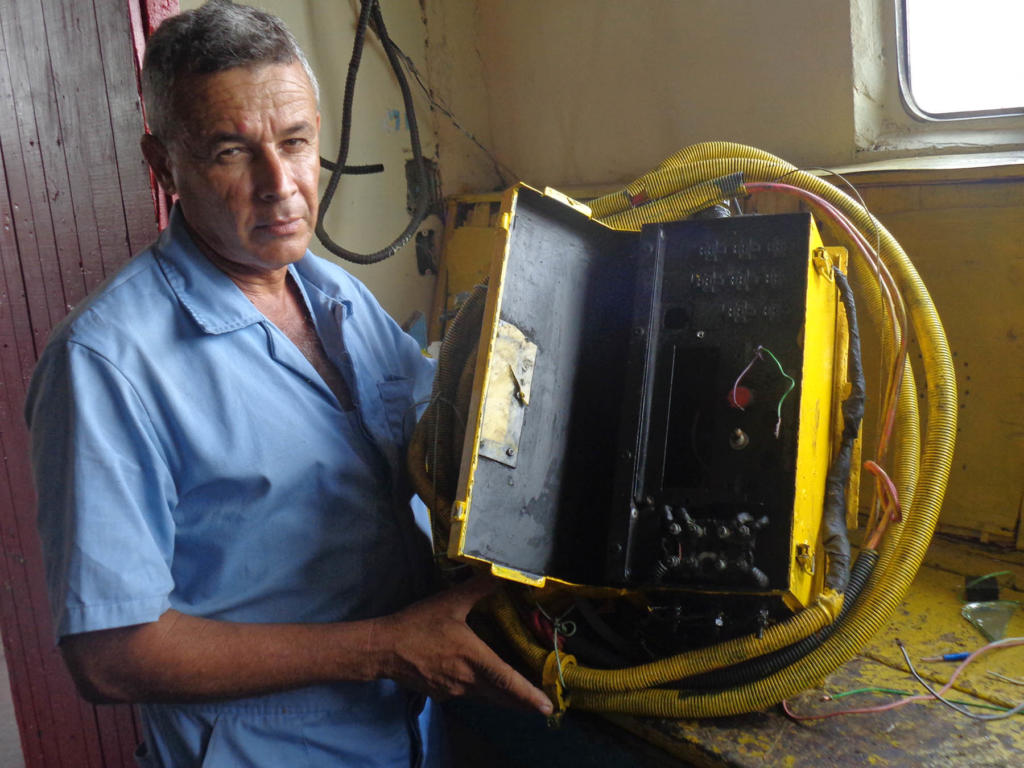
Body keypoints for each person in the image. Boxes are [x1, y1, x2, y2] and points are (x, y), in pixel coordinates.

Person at [24, 1, 551, 765]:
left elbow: (438, 434)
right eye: (232, 152)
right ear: (163, 164)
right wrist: (383, 649)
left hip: (405, 735)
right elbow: (109, 656)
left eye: (297, 142)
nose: (282, 184)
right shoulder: (106, 363)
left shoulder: (330, 292)